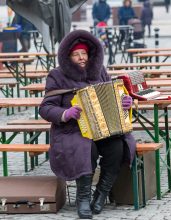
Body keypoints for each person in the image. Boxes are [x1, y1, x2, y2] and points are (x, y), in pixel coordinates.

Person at [39, 30, 136, 219]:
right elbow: (45, 107)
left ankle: (101, 194)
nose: (81, 58)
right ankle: (82, 198)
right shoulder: (57, 76)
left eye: (84, 53)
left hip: (104, 127)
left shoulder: (99, 71)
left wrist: (125, 101)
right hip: (72, 130)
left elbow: (114, 95)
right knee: (85, 147)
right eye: (76, 54)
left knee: (117, 146)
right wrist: (66, 113)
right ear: (68, 56)